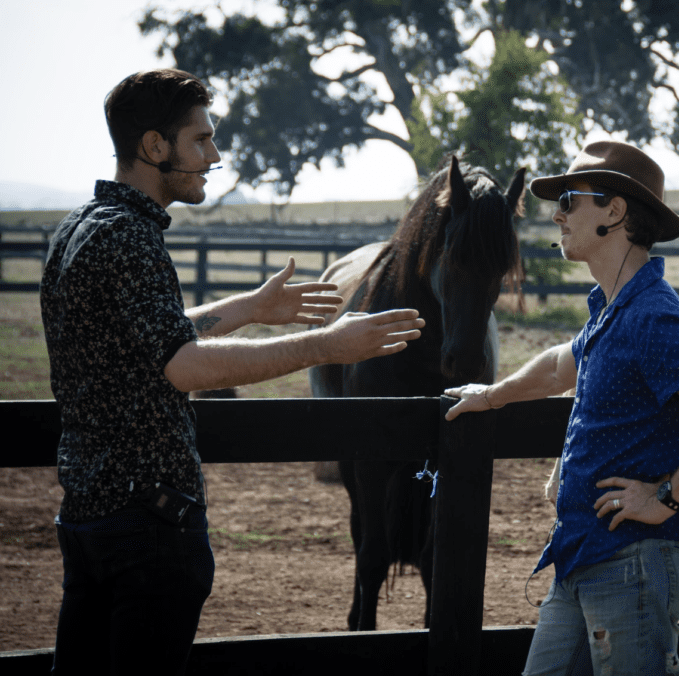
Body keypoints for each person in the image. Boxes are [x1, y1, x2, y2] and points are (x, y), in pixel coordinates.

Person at [40, 68, 424, 675]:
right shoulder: (132, 239)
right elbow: (184, 366)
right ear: (154, 147)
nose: (214, 157)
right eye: (201, 140)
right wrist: (325, 345)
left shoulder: (79, 230)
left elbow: (147, 339)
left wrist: (249, 308)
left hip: (88, 514)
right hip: (150, 527)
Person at [444, 141, 679, 675]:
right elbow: (558, 366)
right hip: (587, 553)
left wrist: (667, 500)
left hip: (635, 559)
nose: (558, 215)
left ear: (614, 212)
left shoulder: (650, 317)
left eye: (569, 199)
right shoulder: (613, 312)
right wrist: (491, 394)